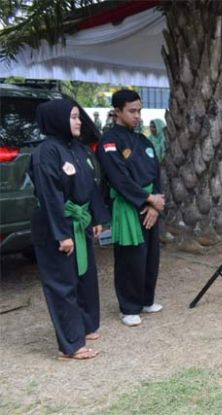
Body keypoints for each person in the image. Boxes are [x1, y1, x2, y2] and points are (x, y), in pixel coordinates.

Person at [28, 99, 110, 360]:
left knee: (84, 277)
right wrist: (61, 234)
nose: (78, 122)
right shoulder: (46, 153)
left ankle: (84, 326)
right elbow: (50, 195)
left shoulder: (79, 149)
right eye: (73, 117)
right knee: (62, 283)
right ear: (58, 120)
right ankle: (70, 345)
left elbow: (91, 184)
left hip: (81, 220)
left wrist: (96, 216)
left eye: (78, 117)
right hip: (58, 224)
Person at [98, 89, 166, 327]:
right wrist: (147, 199)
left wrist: (156, 204)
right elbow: (119, 178)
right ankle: (128, 306)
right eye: (132, 111)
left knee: (150, 257)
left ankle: (147, 299)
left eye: (140, 111)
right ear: (118, 111)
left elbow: (157, 173)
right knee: (131, 258)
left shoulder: (144, 140)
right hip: (129, 205)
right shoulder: (108, 141)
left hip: (150, 205)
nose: (138, 116)